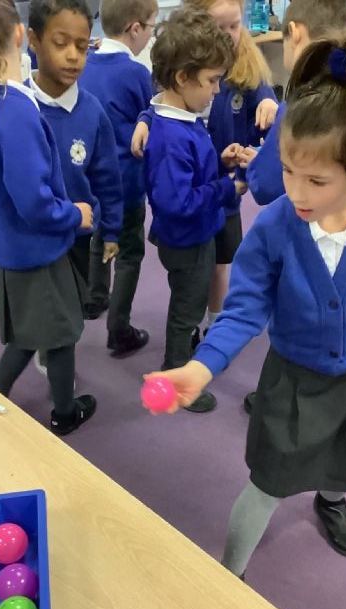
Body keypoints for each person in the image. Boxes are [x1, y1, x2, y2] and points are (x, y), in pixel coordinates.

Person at [146, 31, 346, 575]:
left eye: (317, 179)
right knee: (267, 482)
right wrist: (201, 366)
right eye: (287, 170)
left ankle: (332, 500)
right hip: (294, 383)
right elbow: (244, 308)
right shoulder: (278, 226)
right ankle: (230, 573)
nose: (297, 192)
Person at [0, 0, 97, 436]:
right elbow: (34, 203)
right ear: (17, 35)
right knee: (59, 333)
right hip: (35, 250)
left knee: (27, 333)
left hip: (7, 247)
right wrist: (75, 215)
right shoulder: (14, 110)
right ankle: (64, 412)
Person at [132, 0, 278, 343]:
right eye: (218, 27)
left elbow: (263, 92)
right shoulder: (181, 100)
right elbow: (160, 101)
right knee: (190, 289)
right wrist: (144, 119)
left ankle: (214, 324)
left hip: (216, 193)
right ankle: (185, 343)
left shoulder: (239, 69)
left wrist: (268, 103)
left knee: (218, 263)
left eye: (234, 25)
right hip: (200, 203)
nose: (228, 35)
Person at [240, 0, 346, 414]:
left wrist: (262, 163)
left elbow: (267, 186)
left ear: (296, 33)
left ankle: (285, 400)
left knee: (298, 319)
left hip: (307, 241)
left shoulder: (301, 102)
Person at [144, 7, 245, 413]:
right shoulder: (172, 135)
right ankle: (174, 374)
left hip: (196, 234)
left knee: (190, 301)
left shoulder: (184, 118)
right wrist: (226, 187)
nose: (217, 90)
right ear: (183, 78)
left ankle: (182, 358)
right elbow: (178, 202)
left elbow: (190, 177)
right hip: (186, 240)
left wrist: (219, 162)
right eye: (212, 80)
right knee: (186, 312)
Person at [27, 0, 123, 377]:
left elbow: (107, 178)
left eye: (82, 47)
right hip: (34, 235)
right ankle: (50, 358)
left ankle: (59, 357)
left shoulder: (92, 111)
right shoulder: (19, 106)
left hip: (79, 234)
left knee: (72, 309)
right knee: (43, 312)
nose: (72, 56)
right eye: (60, 43)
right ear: (34, 40)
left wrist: (111, 229)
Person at [78, 0, 157, 355]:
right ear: (134, 28)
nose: (150, 34)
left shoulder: (84, 65)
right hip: (126, 181)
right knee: (129, 251)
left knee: (99, 234)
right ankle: (119, 328)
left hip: (90, 178)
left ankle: (95, 298)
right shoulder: (136, 73)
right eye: (151, 26)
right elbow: (150, 120)